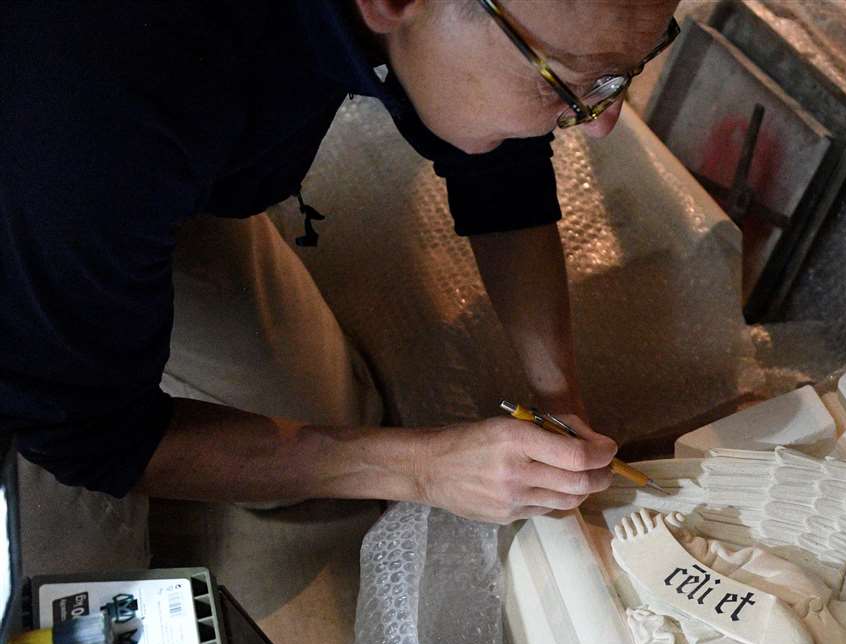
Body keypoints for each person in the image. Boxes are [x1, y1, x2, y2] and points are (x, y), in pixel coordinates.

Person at [0, 0, 682, 576]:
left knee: (329, 412)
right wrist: (423, 471)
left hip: (139, 176)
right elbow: (91, 439)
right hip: (60, 174)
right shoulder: (101, 97)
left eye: (620, 77)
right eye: (568, 84)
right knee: (73, 585)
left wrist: (558, 399)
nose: (600, 123)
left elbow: (502, 167)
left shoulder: (462, 21)